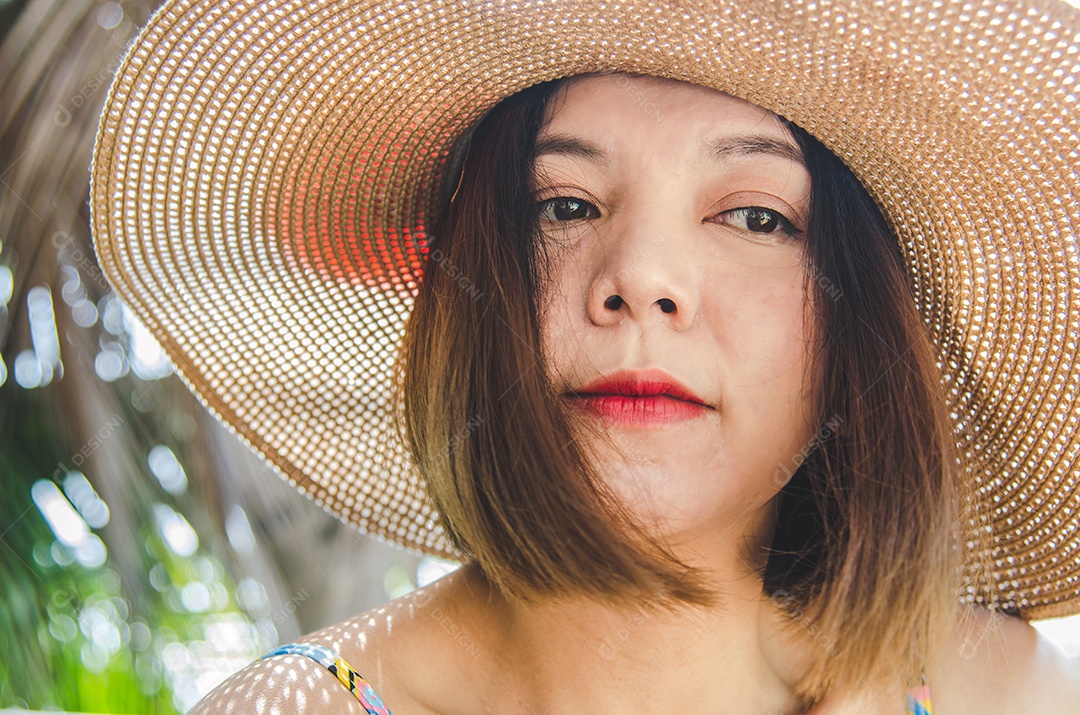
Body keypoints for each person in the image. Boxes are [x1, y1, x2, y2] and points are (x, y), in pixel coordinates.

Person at [89, 0, 1080, 713]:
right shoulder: (300, 709)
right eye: (565, 206)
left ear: (856, 329)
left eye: (753, 215)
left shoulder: (996, 690)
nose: (642, 276)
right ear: (470, 294)